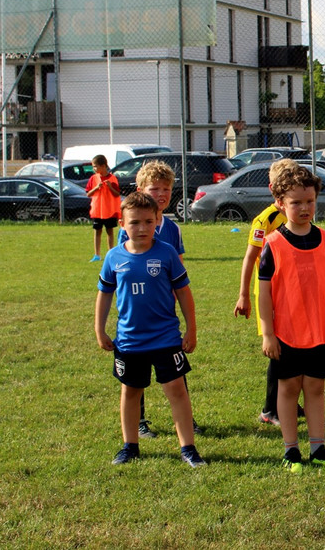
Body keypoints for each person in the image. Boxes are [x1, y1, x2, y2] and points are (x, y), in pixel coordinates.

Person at [94, 191, 205, 467]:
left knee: (177, 390)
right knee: (131, 391)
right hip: (129, 340)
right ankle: (130, 446)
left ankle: (188, 448)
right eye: (134, 222)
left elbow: (184, 293)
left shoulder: (166, 253)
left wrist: (191, 329)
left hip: (165, 338)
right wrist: (99, 329)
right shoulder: (114, 257)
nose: (142, 228)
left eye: (148, 221)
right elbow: (105, 294)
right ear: (122, 224)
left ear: (157, 221)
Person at [258, 164, 325, 471]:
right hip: (286, 332)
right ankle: (290, 450)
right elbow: (264, 294)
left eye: (309, 201)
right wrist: (268, 333)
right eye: (296, 202)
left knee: (316, 388)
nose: (304, 208)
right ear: (281, 204)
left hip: (320, 330)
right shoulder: (273, 243)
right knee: (288, 388)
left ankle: (318, 448)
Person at [116, 160, 196, 439]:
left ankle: (187, 420)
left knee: (174, 364)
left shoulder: (172, 228)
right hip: (137, 311)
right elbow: (124, 266)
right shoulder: (129, 227)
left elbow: (179, 266)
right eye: (154, 189)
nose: (161, 194)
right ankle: (139, 421)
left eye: (166, 189)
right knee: (135, 372)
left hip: (165, 309)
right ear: (140, 191)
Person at [232, 158, 301, 426]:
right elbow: (250, 257)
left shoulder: (297, 211)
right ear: (273, 188)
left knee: (294, 348)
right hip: (270, 294)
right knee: (278, 351)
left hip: (292, 293)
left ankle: (290, 402)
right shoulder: (266, 220)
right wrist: (243, 295)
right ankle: (269, 409)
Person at [85, 154, 121, 262]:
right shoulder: (93, 178)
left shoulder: (112, 178)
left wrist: (110, 187)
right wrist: (96, 188)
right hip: (97, 210)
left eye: (95, 166)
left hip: (109, 210)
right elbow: (88, 194)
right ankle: (97, 254)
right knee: (97, 231)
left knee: (110, 231)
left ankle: (110, 253)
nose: (94, 169)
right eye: (93, 166)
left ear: (103, 166)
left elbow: (117, 194)